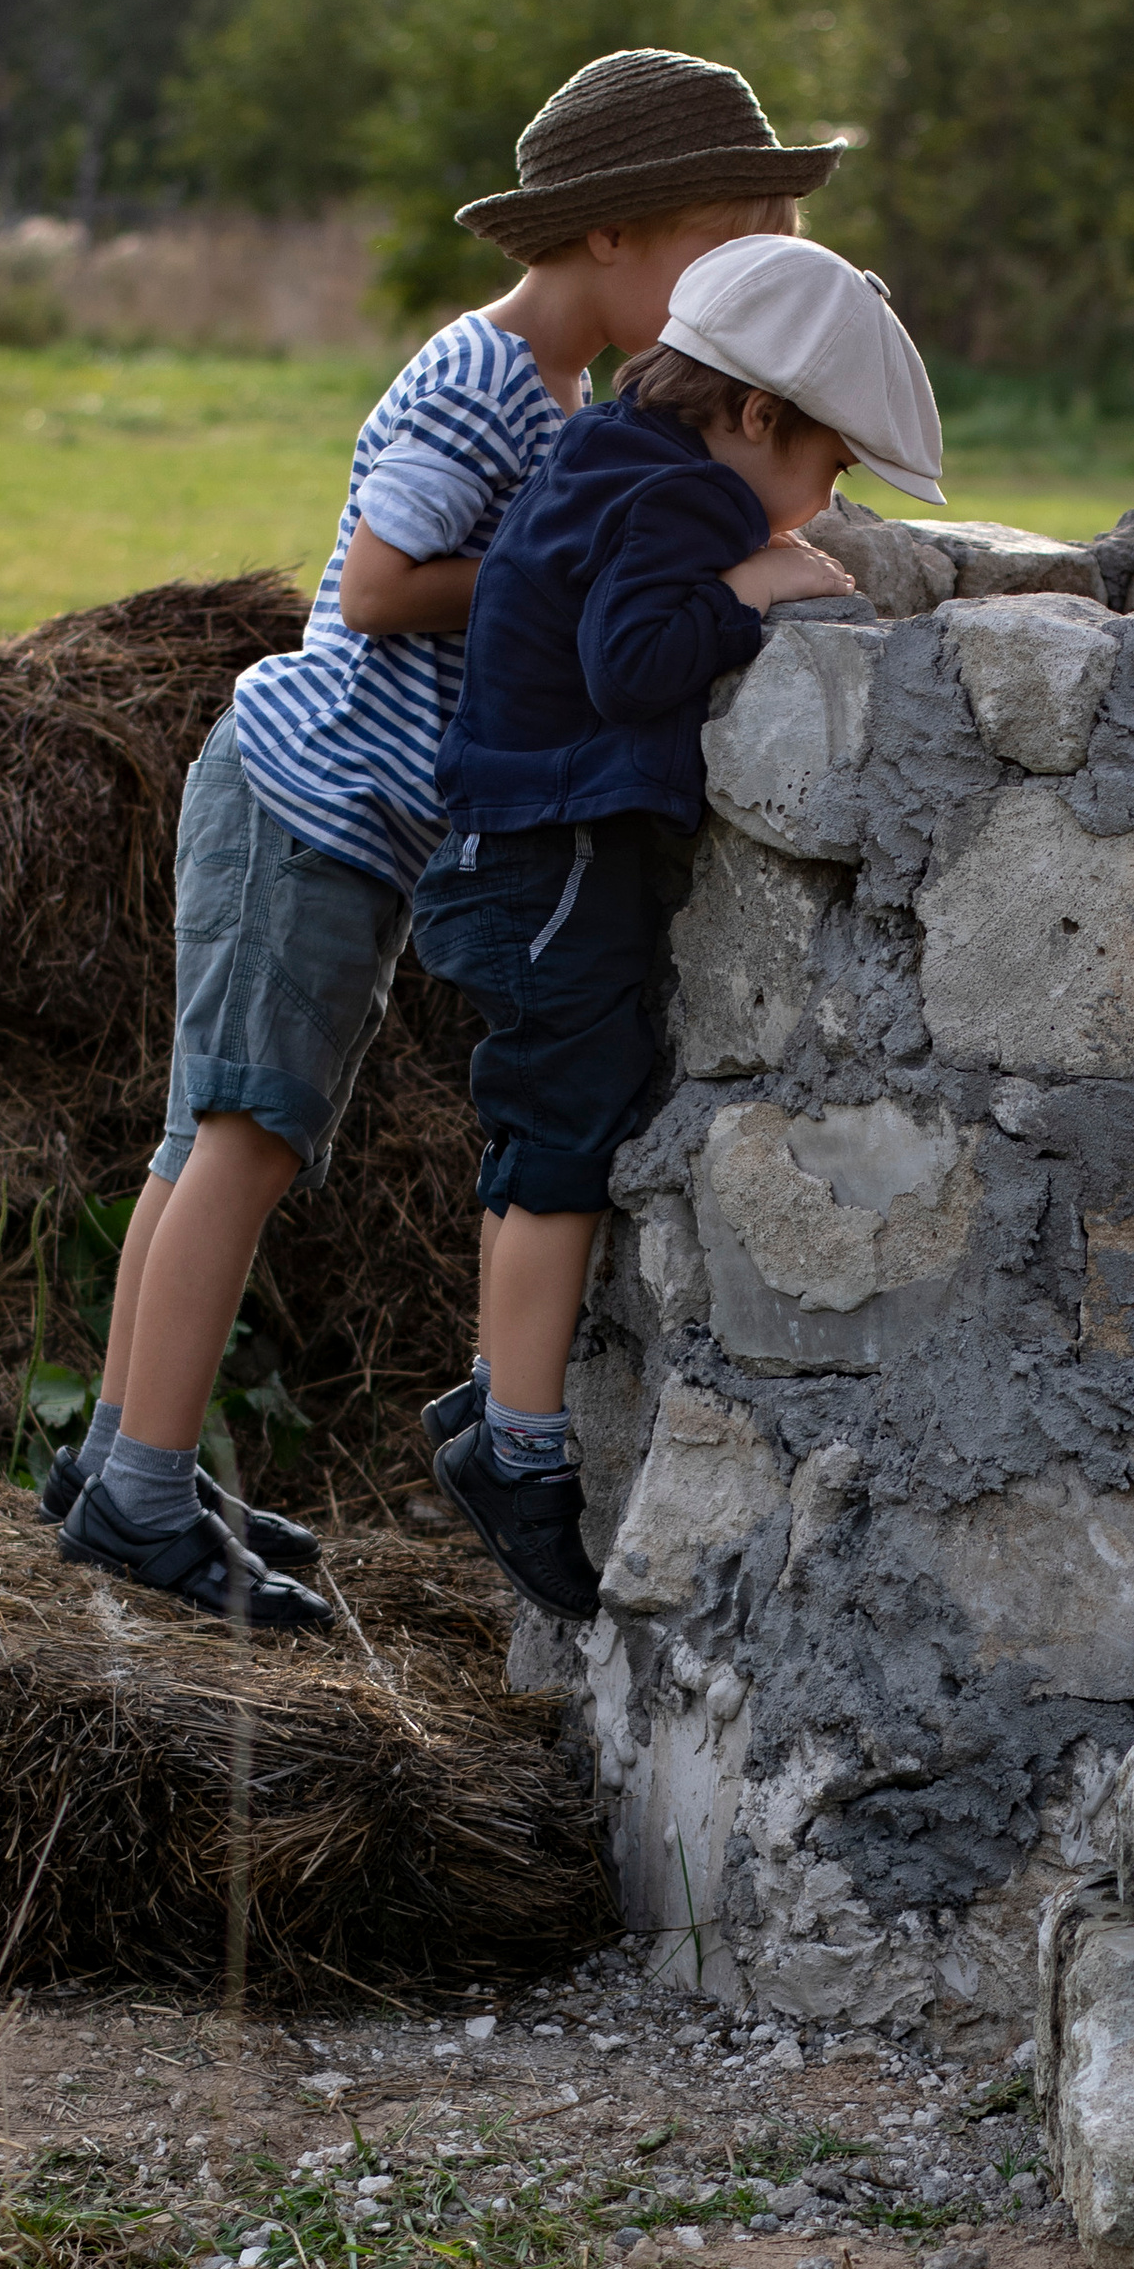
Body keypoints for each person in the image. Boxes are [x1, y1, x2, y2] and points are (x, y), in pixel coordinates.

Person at [46, 51, 842, 1626]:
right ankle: (139, 1493)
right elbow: (376, 582)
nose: (735, 292)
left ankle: (122, 1462)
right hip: (315, 796)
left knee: (213, 1131)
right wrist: (563, 578)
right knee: (245, 1135)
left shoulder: (564, 394)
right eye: (723, 246)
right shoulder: (488, 378)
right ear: (612, 237)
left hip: (339, 812)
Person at [413, 233, 944, 1623]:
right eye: (829, 472)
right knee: (562, 1142)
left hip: (516, 855)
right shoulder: (685, 506)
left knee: (545, 1130)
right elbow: (628, 660)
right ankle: (518, 1450)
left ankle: (492, 1403)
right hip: (556, 860)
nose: (822, 508)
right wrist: (747, 589)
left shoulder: (611, 454)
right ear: (757, 417)